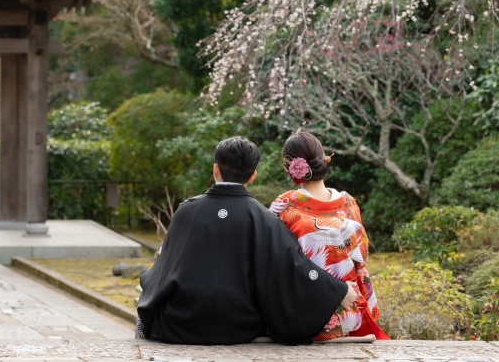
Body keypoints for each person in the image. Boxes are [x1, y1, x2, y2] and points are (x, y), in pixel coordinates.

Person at [136, 136, 358, 345]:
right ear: (253, 175)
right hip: (240, 327)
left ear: (215, 170)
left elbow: (164, 268)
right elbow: (293, 267)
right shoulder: (264, 219)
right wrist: (336, 291)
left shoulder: (186, 211)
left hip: (177, 324)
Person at [269, 131, 388, 341]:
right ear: (323, 159)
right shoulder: (348, 203)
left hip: (304, 315)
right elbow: (362, 256)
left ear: (291, 168)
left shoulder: (285, 205)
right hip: (350, 314)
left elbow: (275, 263)